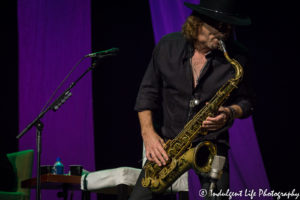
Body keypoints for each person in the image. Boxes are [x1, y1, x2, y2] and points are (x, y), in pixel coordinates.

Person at [129, 0, 254, 199]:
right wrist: (148, 135)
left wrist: (230, 113)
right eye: (219, 25)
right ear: (197, 23)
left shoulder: (238, 56)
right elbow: (147, 94)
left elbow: (246, 103)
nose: (225, 32)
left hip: (211, 144)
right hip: (170, 143)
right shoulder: (168, 46)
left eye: (228, 26)